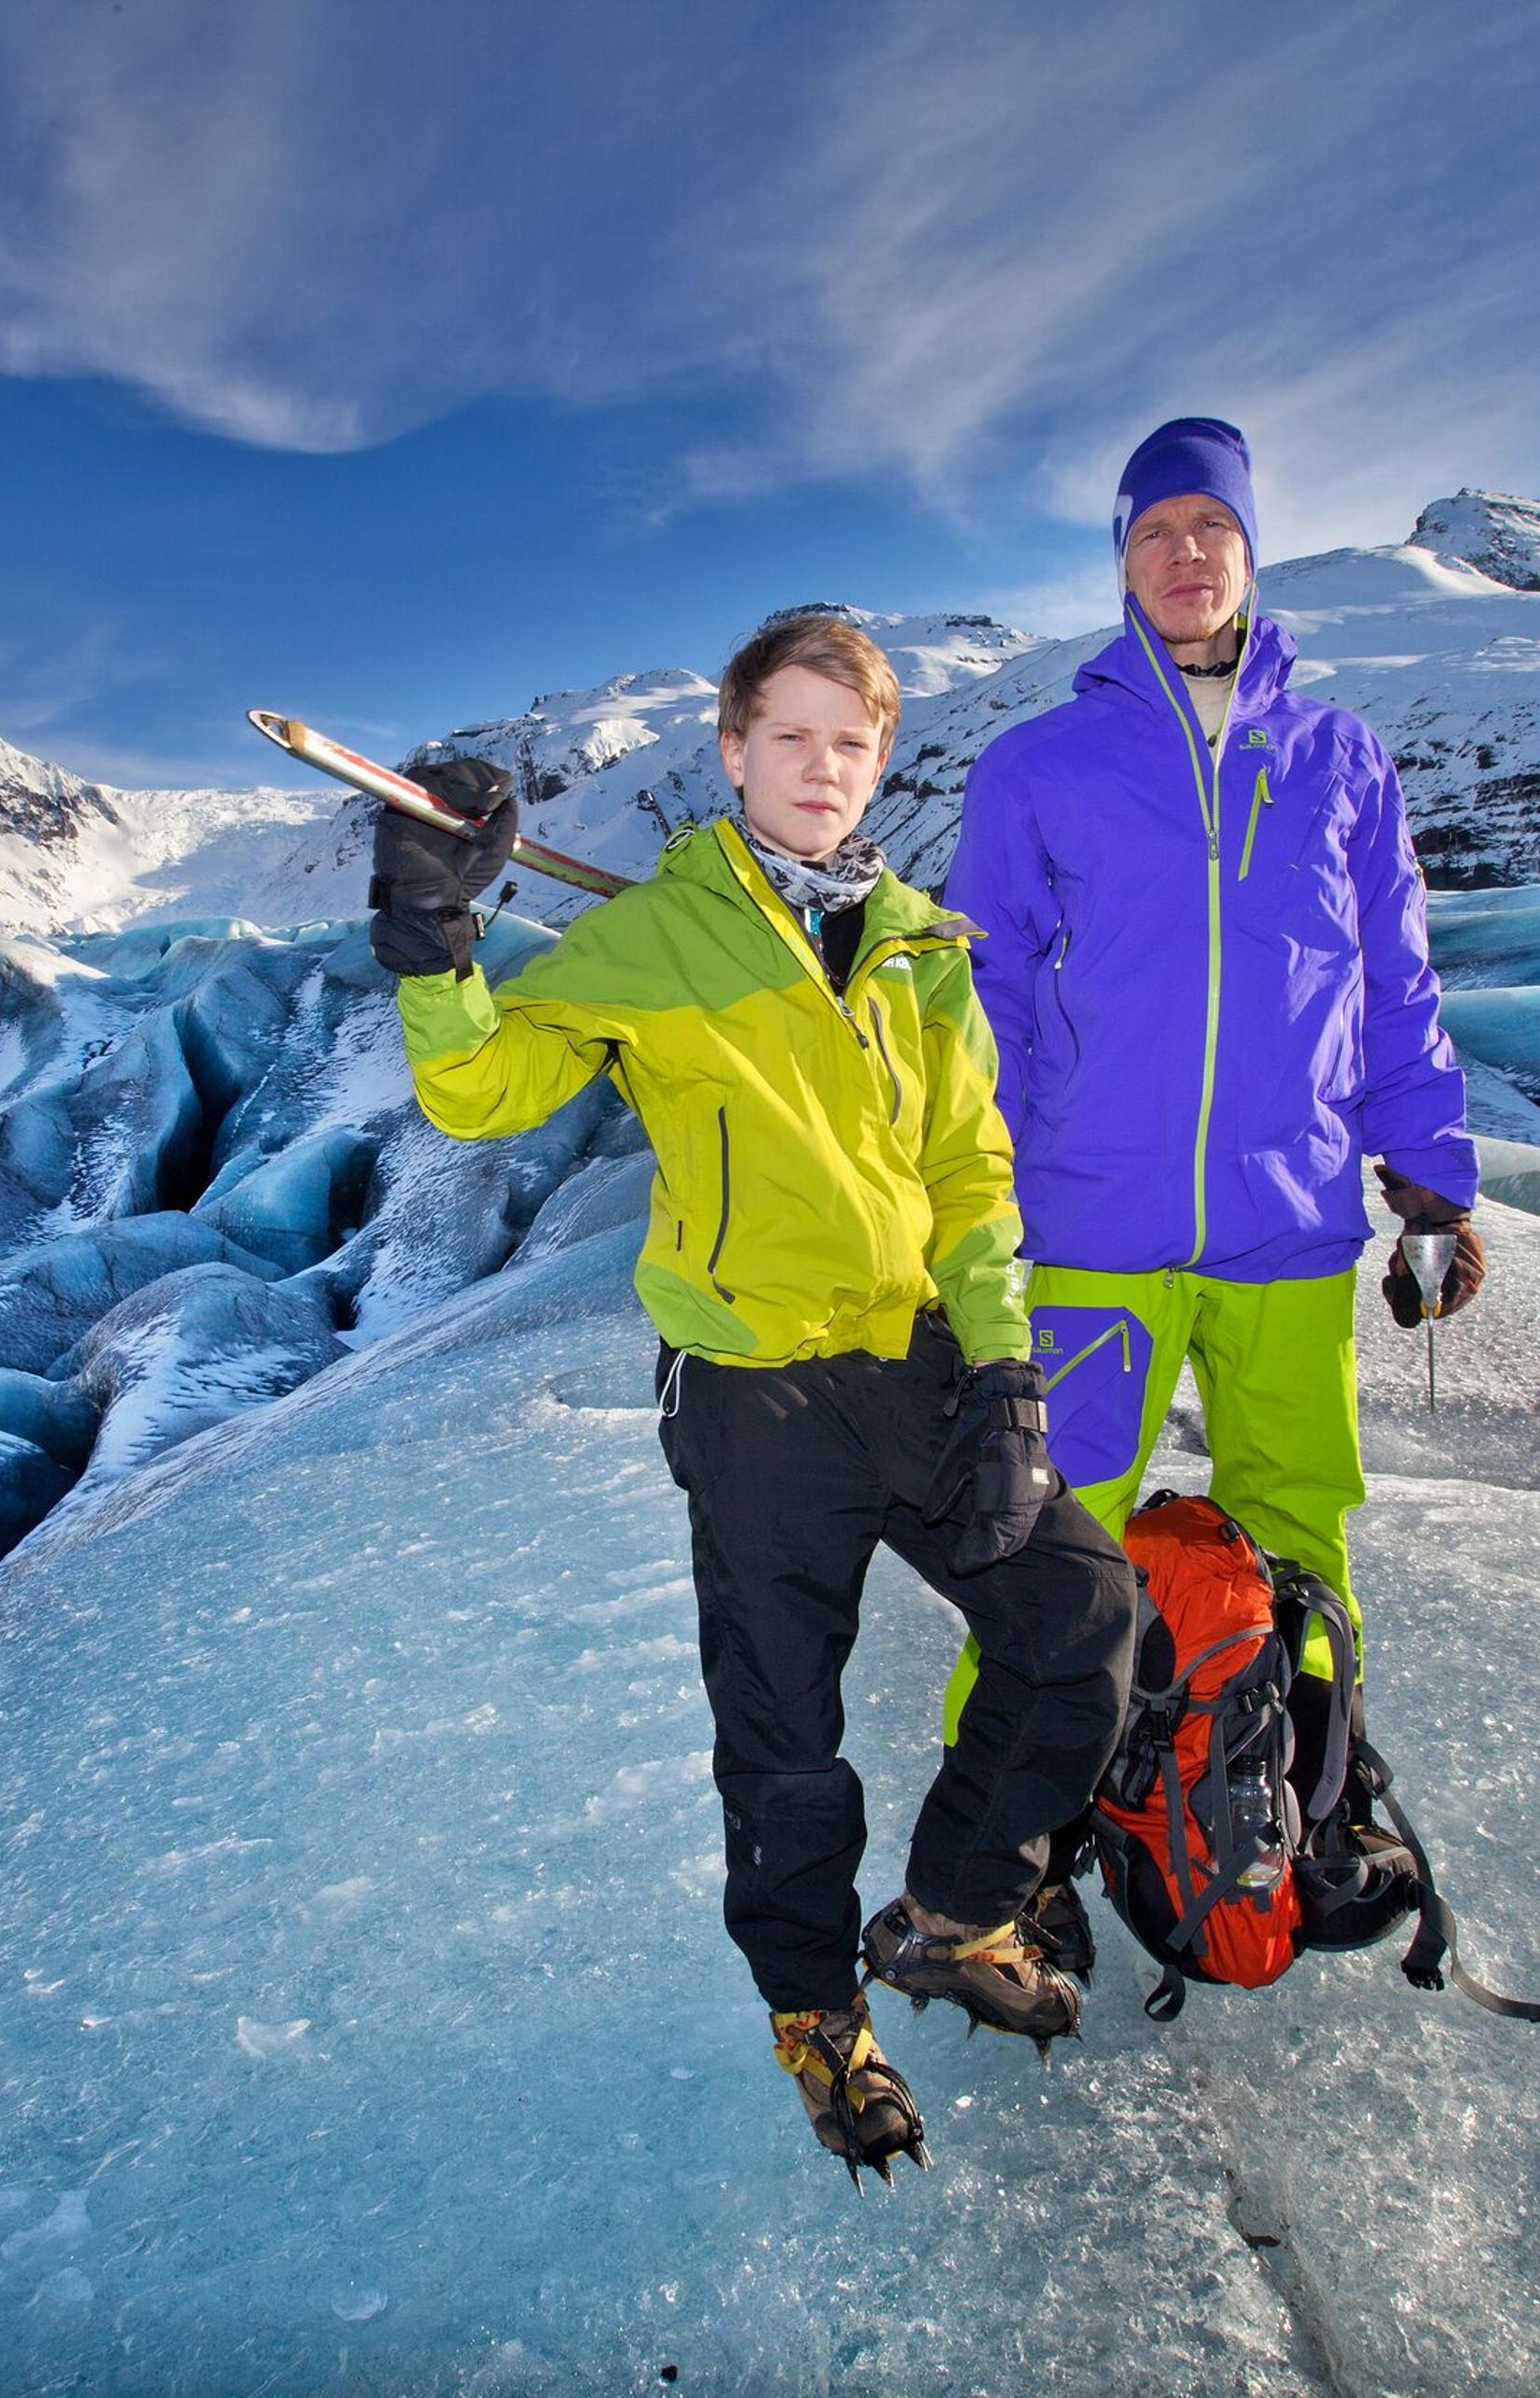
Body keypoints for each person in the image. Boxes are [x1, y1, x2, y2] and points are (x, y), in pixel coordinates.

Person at [374, 610, 1136, 2182]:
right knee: (785, 1737)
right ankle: (813, 2013)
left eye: (850, 744)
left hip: (919, 1367)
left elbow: (970, 1177)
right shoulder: (657, 935)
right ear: (733, 752)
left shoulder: (921, 951)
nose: (822, 767)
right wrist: (436, 944)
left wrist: (1002, 1372)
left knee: (1081, 1625)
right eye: (790, 736)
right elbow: (480, 1087)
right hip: (753, 1395)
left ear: (879, 762)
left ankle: (952, 1908)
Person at [942, 417, 1487, 1738]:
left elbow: (1392, 979)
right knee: (1048, 1541)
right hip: (1092, 1228)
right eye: (1154, 533)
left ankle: (1303, 1783)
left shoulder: (1338, 757)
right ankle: (1009, 1856)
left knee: (1299, 1523)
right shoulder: (1036, 767)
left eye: (1212, 529)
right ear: (1121, 566)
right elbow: (987, 1003)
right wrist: (967, 1200)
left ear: (1250, 554)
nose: (1185, 554)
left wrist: (1430, 1175)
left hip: (1289, 1225)